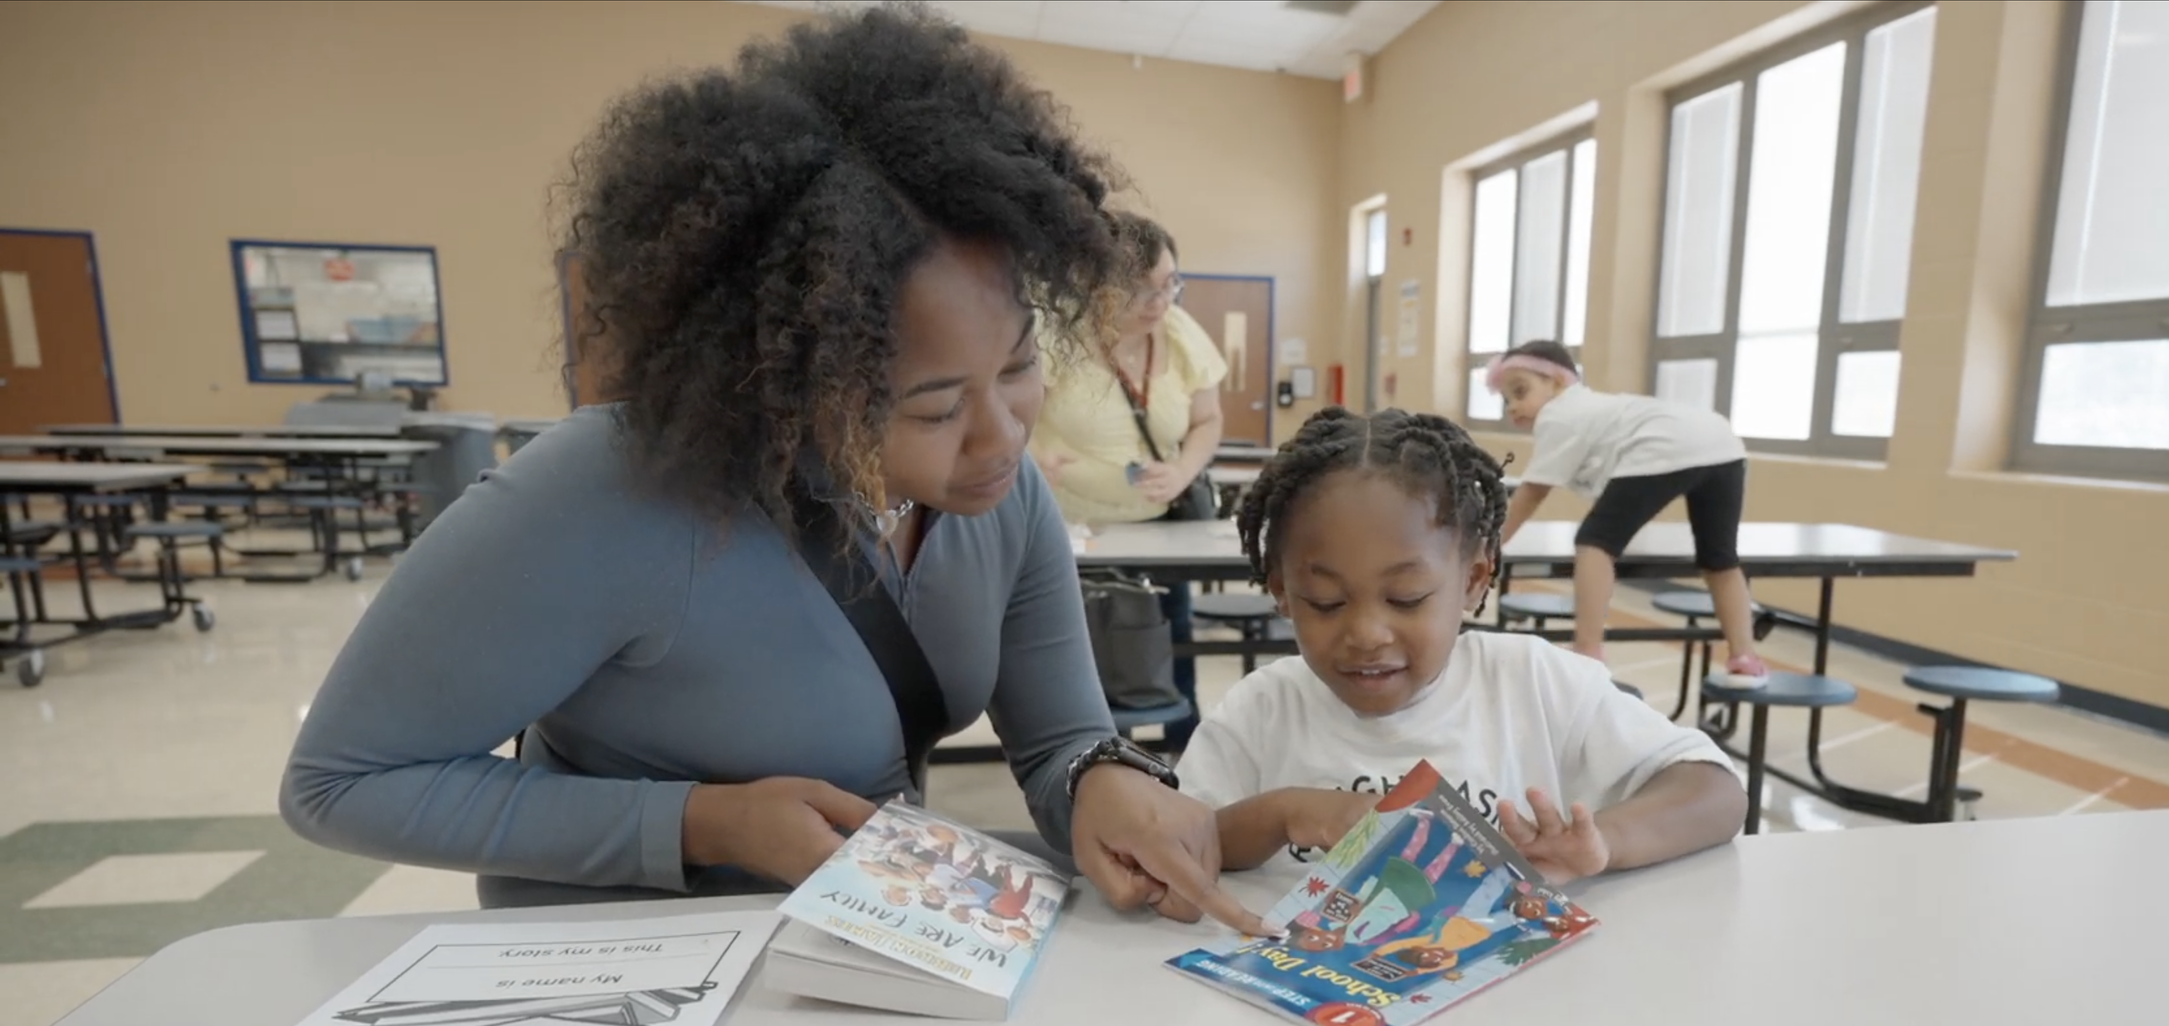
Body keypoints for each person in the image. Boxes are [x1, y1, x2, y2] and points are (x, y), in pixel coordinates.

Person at [279, 7, 1266, 934]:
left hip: (857, 956)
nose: (999, 436)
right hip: (623, 971)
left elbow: (1059, 742)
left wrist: (1104, 778)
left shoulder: (1003, 505)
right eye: (931, 405)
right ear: (791, 379)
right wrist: (702, 822)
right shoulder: (611, 491)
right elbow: (339, 782)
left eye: (1017, 364)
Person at [1175, 407, 1746, 878]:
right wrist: (1284, 813)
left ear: (1473, 581)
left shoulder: (1533, 683)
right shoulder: (1261, 711)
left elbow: (1716, 794)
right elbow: (1177, 843)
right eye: (1325, 603)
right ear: (1282, 592)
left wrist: (1606, 841)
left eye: (1407, 598)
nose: (1368, 634)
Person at [1031, 213, 1226, 749]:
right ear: (1095, 284)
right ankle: (1087, 757)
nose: (1160, 304)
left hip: (1161, 529)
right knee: (1083, 658)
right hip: (1070, 531)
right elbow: (1008, 413)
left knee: (1170, 646)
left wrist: (1184, 469)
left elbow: (1209, 420)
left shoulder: (1181, 334)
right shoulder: (1056, 334)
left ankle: (1183, 755)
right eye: (1142, 291)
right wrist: (1029, 457)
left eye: (1170, 285)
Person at [1489, 341, 1769, 685]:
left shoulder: (1561, 413)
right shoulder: (1596, 409)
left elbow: (1532, 492)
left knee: (1595, 542)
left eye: (1521, 391)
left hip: (1664, 444)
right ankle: (1745, 657)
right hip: (1724, 446)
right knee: (1720, 559)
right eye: (1507, 400)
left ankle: (1587, 652)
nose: (1514, 406)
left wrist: (1490, 546)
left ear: (1559, 383)